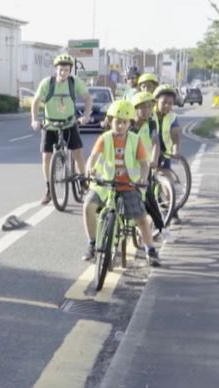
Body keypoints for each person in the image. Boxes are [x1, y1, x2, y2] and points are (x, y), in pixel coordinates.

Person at [82, 100, 161, 267]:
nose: (120, 126)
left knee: (141, 218)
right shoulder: (104, 138)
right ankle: (91, 243)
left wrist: (143, 179)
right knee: (88, 205)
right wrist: (90, 169)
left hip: (129, 185)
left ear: (129, 123)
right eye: (117, 121)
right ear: (110, 121)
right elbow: (93, 157)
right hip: (105, 184)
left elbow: (144, 163)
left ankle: (150, 249)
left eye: (124, 122)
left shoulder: (135, 140)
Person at [30, 53, 93, 205]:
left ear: (70, 70)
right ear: (56, 69)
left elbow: (87, 98)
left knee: (77, 152)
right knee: (46, 156)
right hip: (50, 124)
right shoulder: (47, 83)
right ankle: (49, 190)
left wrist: (85, 115)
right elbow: (36, 101)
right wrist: (34, 120)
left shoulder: (74, 82)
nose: (63, 72)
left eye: (66, 69)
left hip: (69, 123)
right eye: (60, 69)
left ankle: (83, 180)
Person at [130, 91, 173, 242]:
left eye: (150, 107)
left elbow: (156, 143)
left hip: (144, 166)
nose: (148, 110)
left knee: (148, 197)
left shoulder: (151, 124)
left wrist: (153, 161)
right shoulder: (129, 125)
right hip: (128, 166)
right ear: (135, 109)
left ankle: (162, 229)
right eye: (144, 107)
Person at [152, 84, 182, 220]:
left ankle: (172, 210)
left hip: (165, 152)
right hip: (148, 151)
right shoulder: (148, 113)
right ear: (156, 101)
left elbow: (175, 134)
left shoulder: (172, 117)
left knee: (166, 182)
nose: (167, 106)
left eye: (170, 103)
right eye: (164, 102)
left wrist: (176, 149)